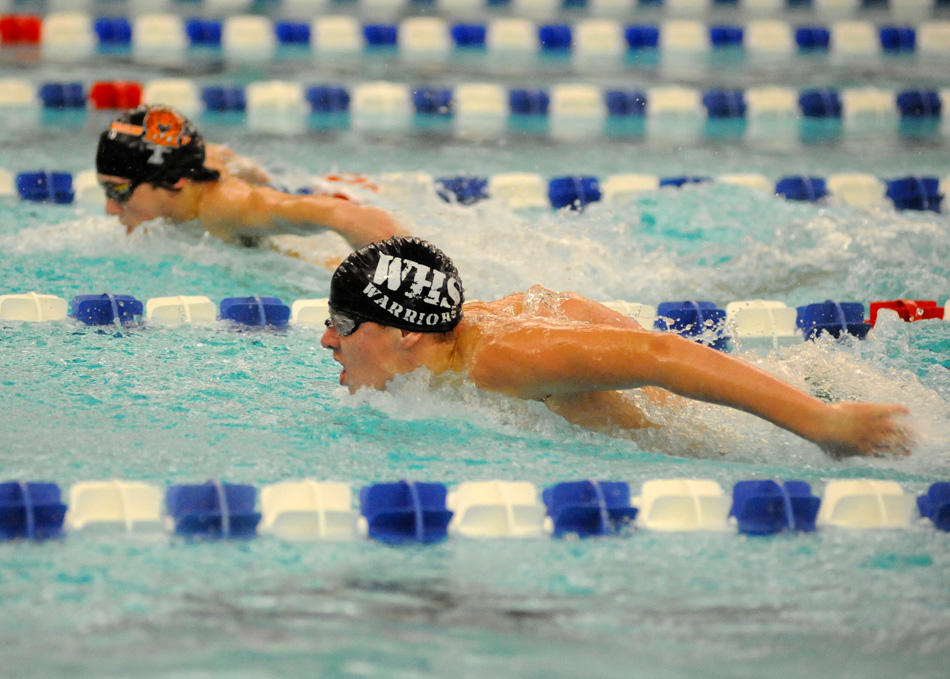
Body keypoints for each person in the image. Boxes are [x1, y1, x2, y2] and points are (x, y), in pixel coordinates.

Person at [320, 236, 912, 459]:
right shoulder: (455, 338)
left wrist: (822, 423)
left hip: (745, 442)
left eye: (342, 324)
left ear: (405, 333)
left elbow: (664, 358)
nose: (326, 340)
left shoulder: (499, 359)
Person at [95, 104, 407, 253]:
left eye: (118, 190)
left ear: (174, 180)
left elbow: (349, 217)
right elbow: (220, 155)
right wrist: (264, 178)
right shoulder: (192, 163)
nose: (110, 207)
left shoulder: (226, 209)